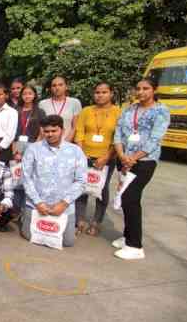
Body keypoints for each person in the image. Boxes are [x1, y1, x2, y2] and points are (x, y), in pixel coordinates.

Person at [112, 77, 170, 260]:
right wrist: (122, 156)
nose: (141, 92)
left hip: (145, 162)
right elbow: (118, 133)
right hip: (124, 158)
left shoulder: (161, 111)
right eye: (138, 88)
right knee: (125, 197)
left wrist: (134, 158)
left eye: (145, 88)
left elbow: (155, 139)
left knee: (130, 198)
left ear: (154, 90)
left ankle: (135, 245)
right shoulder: (129, 109)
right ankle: (127, 236)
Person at [20, 115, 87, 248]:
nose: (50, 134)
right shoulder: (33, 149)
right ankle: (25, 216)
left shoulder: (75, 151)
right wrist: (38, 202)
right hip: (36, 204)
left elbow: (81, 181)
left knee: (67, 242)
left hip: (63, 206)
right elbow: (26, 178)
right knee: (29, 235)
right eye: (46, 131)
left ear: (62, 130)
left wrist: (64, 203)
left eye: (54, 131)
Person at [74, 82, 121, 236]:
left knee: (101, 188)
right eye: (97, 92)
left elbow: (119, 137)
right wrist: (81, 152)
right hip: (84, 155)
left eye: (104, 92)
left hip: (106, 157)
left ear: (111, 94)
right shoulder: (86, 111)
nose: (100, 95)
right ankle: (79, 219)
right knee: (82, 187)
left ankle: (96, 221)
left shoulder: (118, 112)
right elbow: (79, 131)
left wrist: (106, 157)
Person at [11, 84, 45, 216]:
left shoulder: (39, 112)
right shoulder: (16, 110)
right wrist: (15, 151)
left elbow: (42, 132)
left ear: (34, 95)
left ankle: (27, 209)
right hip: (17, 144)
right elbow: (12, 131)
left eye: (30, 93)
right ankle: (16, 208)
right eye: (24, 94)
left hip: (33, 145)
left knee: (30, 178)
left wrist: (34, 148)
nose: (27, 96)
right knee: (17, 176)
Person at [38, 76, 82, 141]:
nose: (57, 88)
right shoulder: (42, 104)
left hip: (67, 143)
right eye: (54, 85)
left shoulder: (74, 102)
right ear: (50, 88)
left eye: (60, 85)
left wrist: (66, 143)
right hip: (47, 142)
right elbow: (41, 127)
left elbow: (75, 127)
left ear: (66, 87)